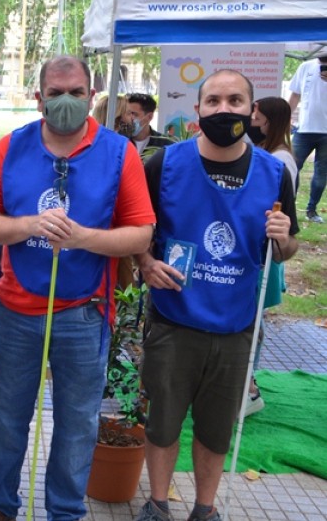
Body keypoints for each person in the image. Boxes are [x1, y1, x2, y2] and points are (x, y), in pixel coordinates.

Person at [0, 55, 155, 521]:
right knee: (7, 420)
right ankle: (0, 504)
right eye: (56, 93)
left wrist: (82, 238)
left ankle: (66, 513)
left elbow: (140, 233)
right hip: (17, 309)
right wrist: (30, 224)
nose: (67, 102)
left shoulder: (118, 153)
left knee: (76, 426)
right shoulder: (10, 148)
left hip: (84, 312)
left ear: (92, 96)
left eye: (76, 92)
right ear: (39, 98)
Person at [133, 70, 299, 521]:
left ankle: (205, 510)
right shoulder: (162, 165)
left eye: (235, 100)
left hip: (235, 326)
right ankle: (158, 502)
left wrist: (284, 238)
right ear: (198, 111)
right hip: (173, 320)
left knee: (216, 429)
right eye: (213, 101)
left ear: (252, 111)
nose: (224, 109)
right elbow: (138, 235)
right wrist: (146, 265)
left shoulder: (273, 173)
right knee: (163, 422)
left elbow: (286, 249)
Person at [245, 95, 298, 416]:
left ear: (271, 121)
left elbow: (285, 226)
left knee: (253, 322)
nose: (252, 119)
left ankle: (249, 389)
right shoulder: (265, 152)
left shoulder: (281, 162)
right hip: (259, 251)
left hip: (267, 255)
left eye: (256, 114)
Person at [287, 54, 327, 222]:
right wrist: (285, 117)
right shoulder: (306, 66)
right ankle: (289, 207)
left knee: (321, 175)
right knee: (291, 169)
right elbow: (295, 94)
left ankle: (311, 210)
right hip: (304, 130)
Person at [126, 93, 176, 158]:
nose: (130, 118)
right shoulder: (118, 141)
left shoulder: (166, 145)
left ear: (149, 116)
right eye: (127, 114)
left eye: (134, 114)